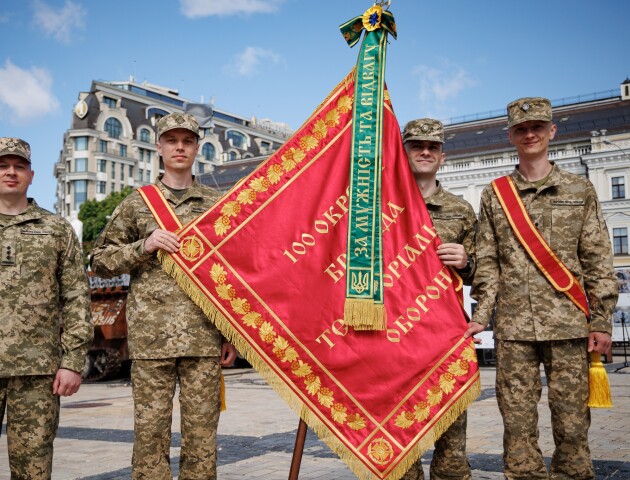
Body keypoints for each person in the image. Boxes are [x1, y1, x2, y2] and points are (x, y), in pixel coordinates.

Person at [465, 97, 618, 479]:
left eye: (537, 127)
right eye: (521, 128)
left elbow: (598, 259)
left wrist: (601, 322)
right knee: (516, 425)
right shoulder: (495, 194)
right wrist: (480, 317)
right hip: (514, 330)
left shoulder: (579, 190)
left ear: (552, 131)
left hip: (570, 326)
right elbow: (487, 262)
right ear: (511, 135)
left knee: (571, 425)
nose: (529, 134)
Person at [91, 113, 237, 480]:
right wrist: (145, 245)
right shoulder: (138, 203)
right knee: (150, 439)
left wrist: (230, 334)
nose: (179, 147)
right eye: (171, 140)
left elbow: (231, 272)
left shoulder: (215, 203)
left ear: (196, 148)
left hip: (203, 338)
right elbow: (100, 260)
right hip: (151, 341)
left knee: (202, 440)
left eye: (187, 141)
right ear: (158, 147)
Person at [0, 137, 93, 478]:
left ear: (31, 174)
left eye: (18, 166)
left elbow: (76, 299)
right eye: (2, 165)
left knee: (34, 470)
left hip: (38, 372)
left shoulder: (56, 229)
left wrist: (72, 362)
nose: (10, 172)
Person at [400, 119, 477, 480]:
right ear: (404, 153)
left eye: (432, 147)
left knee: (451, 434)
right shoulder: (378, 209)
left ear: (442, 156)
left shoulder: (461, 210)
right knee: (401, 431)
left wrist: (466, 261)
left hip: (446, 334)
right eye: (417, 146)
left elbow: (484, 271)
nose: (425, 152)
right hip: (394, 336)